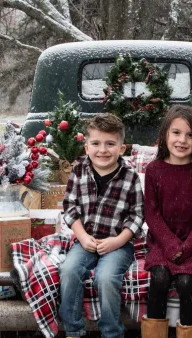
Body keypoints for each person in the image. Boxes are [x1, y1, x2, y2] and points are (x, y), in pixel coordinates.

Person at [59, 113, 144, 338]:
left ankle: (112, 332)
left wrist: (118, 241)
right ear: (86, 147)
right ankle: (73, 331)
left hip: (118, 244)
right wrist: (83, 237)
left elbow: (137, 216)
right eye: (95, 143)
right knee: (69, 270)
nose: (102, 150)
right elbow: (69, 207)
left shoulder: (131, 177)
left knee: (105, 278)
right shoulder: (78, 171)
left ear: (122, 148)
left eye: (110, 144)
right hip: (85, 240)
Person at [141, 105, 192, 338]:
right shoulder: (154, 170)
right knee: (159, 278)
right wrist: (170, 244)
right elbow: (151, 214)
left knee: (186, 283)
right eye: (176, 133)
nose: (182, 140)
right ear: (165, 134)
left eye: (190, 135)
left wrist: (186, 248)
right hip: (163, 241)